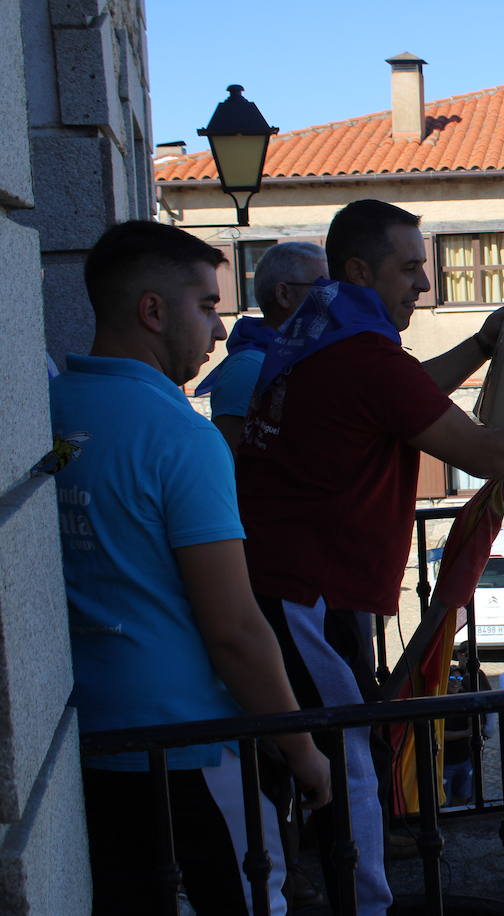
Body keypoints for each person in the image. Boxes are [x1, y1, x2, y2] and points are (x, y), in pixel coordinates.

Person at [237, 199, 504, 913]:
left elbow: (405, 395)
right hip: (309, 593)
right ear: (360, 270)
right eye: (411, 268)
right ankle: (363, 905)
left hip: (296, 584)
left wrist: (485, 345)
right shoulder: (362, 355)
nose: (425, 284)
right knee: (349, 765)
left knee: (331, 757)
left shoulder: (323, 331)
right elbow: (480, 451)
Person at [52, 220, 332, 914]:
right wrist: (300, 750)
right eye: (207, 305)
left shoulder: (48, 409)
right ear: (153, 310)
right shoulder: (182, 437)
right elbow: (235, 627)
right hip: (180, 747)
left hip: (83, 739)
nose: (218, 327)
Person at [198, 241, 327, 452]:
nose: (332, 298)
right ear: (284, 294)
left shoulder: (290, 356)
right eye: (321, 289)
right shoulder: (249, 367)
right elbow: (232, 460)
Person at [442, 642, 492, 806]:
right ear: (459, 655)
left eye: (475, 655)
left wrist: (487, 728)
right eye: (467, 654)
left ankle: (471, 803)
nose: (471, 658)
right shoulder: (454, 675)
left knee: (471, 777)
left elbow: (490, 702)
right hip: (459, 742)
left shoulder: (480, 675)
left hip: (475, 737)